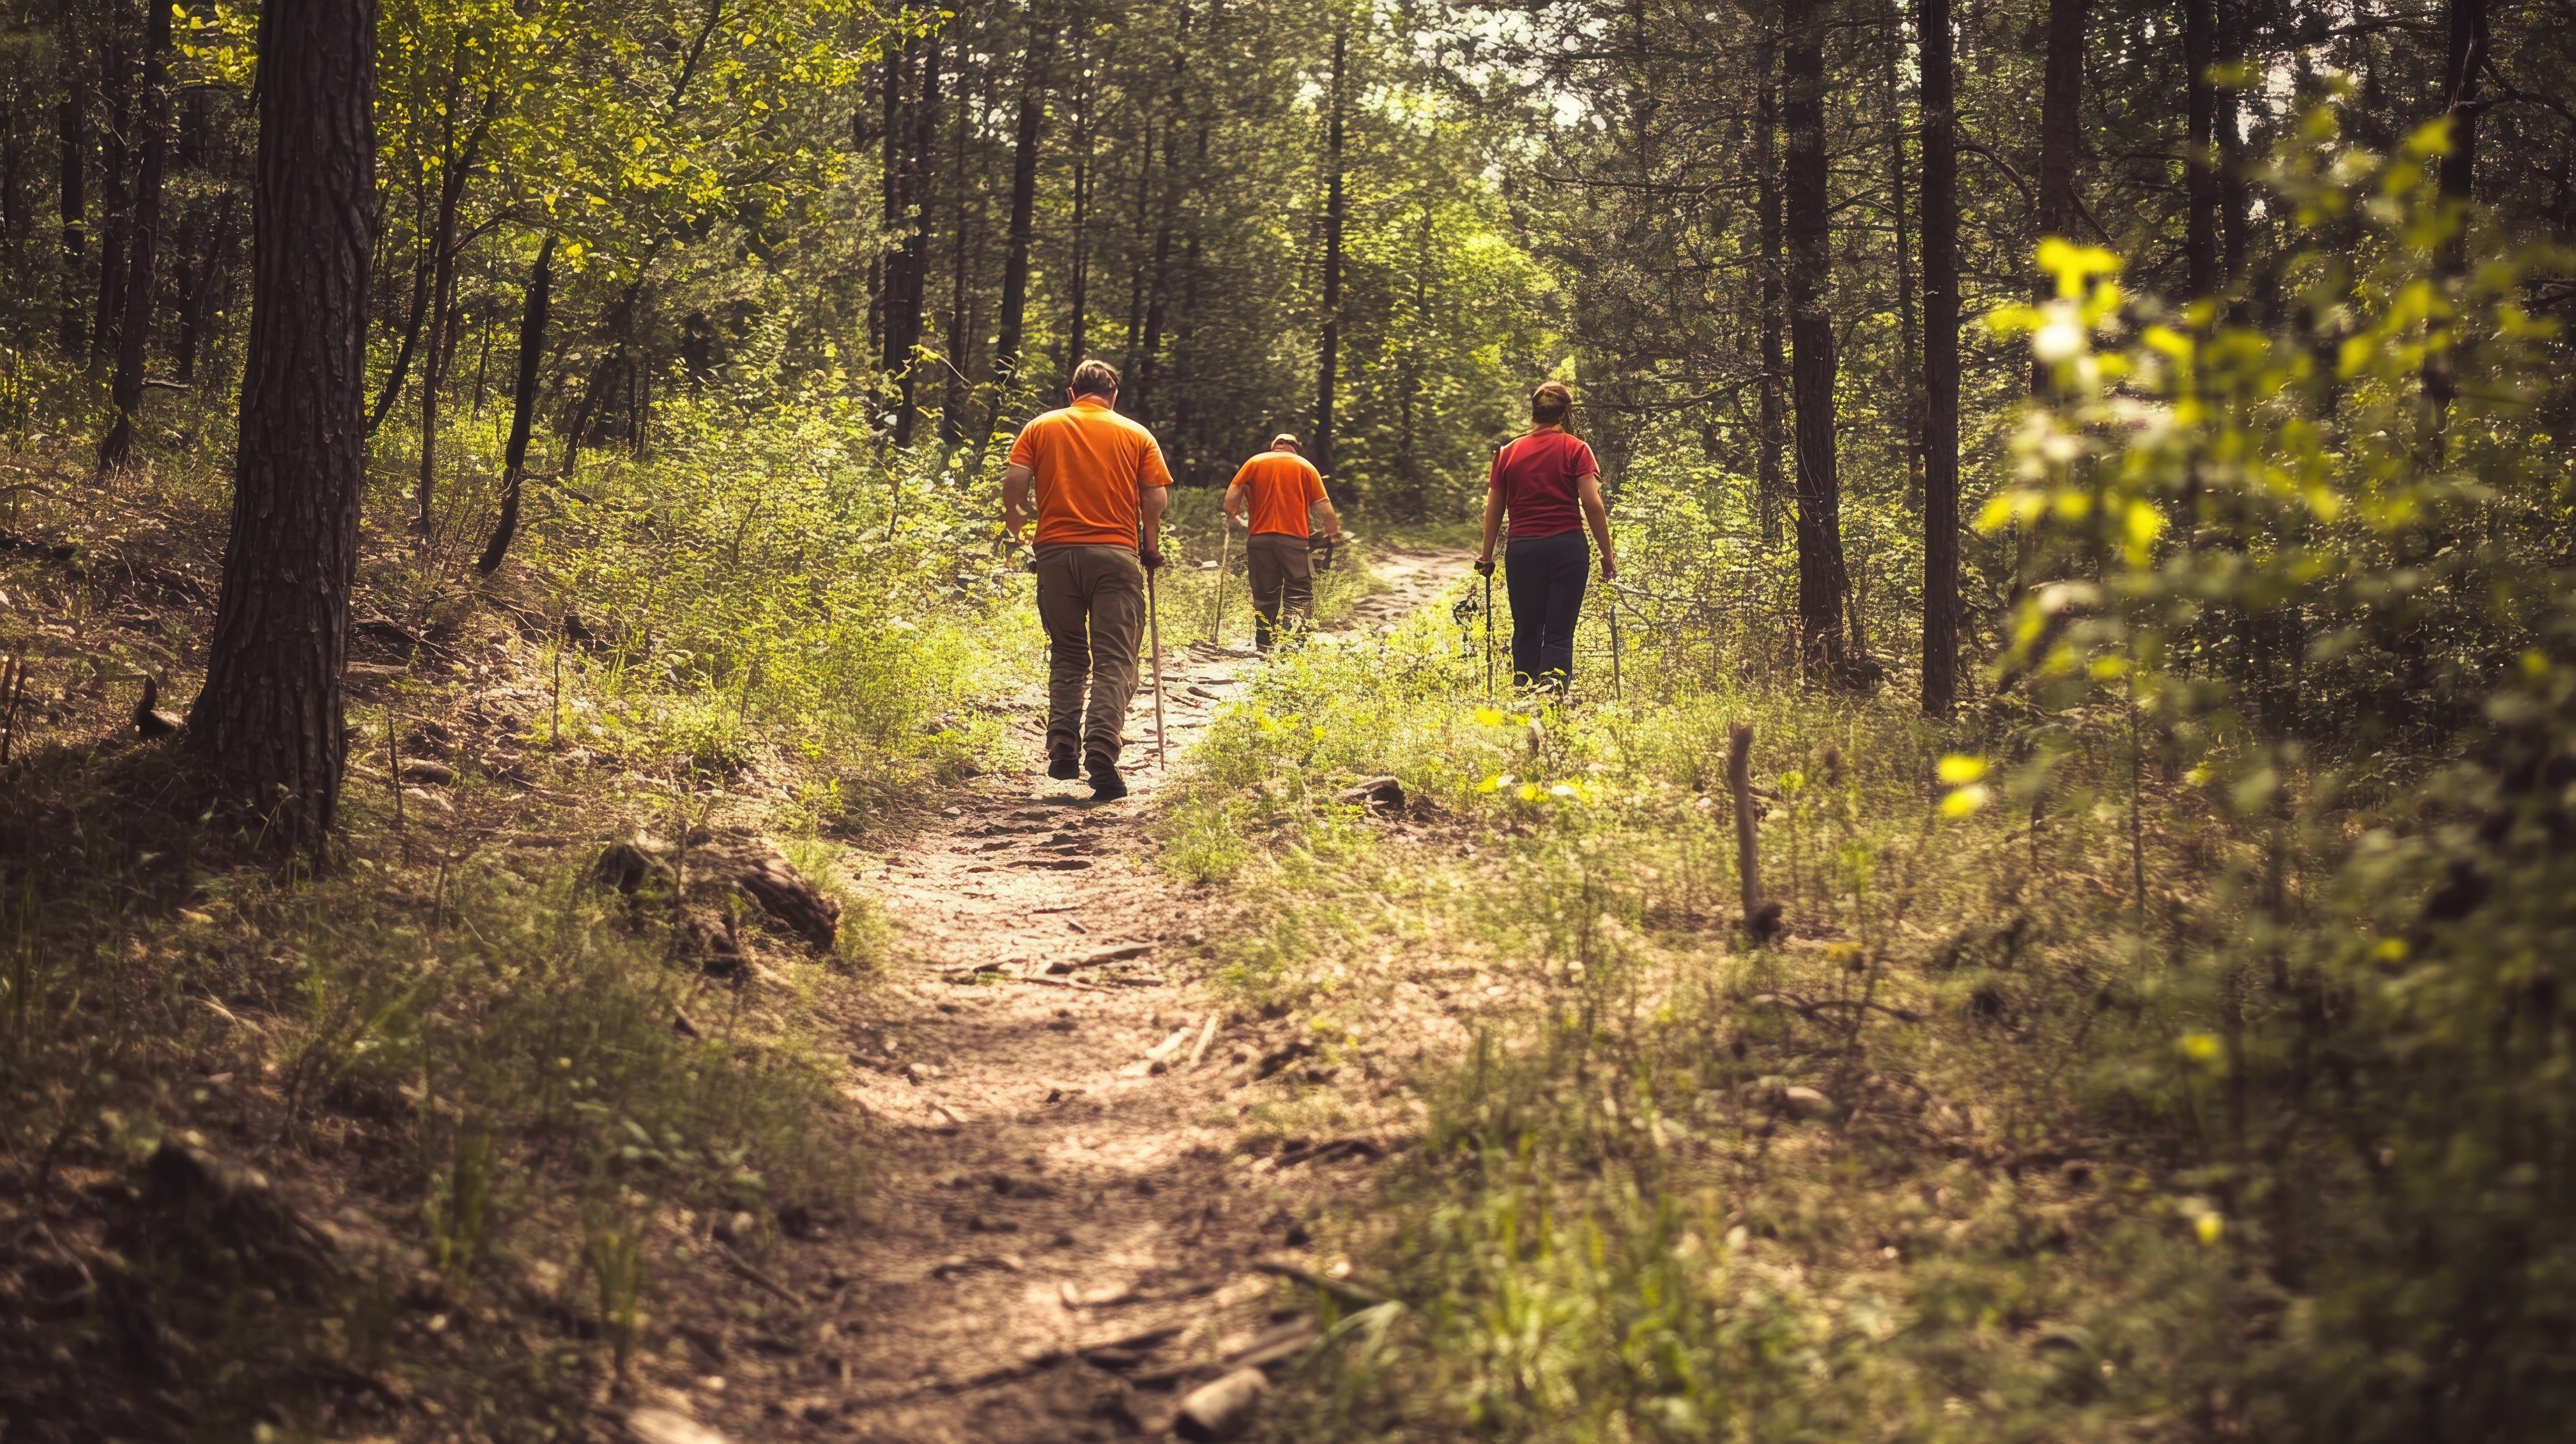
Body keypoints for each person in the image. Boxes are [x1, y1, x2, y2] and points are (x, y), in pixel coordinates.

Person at [1002, 359, 1171, 801]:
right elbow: (1155, 495)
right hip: (1115, 556)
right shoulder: (1136, 434)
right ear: (1113, 395)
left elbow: (1015, 480)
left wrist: (1016, 532)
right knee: (1115, 660)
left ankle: (1062, 746)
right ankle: (1100, 749)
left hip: (1055, 554)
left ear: (1071, 392)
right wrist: (1149, 546)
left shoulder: (1040, 427)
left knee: (1069, 654)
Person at [1474, 380, 1617, 692]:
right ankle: (1552, 690)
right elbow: (1592, 504)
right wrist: (1607, 554)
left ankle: (1524, 687)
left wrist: (1486, 556)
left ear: (1534, 413)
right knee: (1559, 629)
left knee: (1527, 626)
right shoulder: (1577, 449)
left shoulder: (1508, 453)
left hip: (1524, 550)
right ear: (1565, 413)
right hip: (1568, 548)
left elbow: (1494, 510)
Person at [1222, 433, 1342, 652]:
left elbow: (1232, 495)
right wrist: (1333, 533)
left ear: (1274, 446)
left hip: (1259, 539)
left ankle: (1265, 644)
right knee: (1298, 590)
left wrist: (1234, 515)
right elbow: (1323, 504)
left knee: (1265, 593)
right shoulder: (1305, 466)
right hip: (1293, 540)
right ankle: (1292, 644)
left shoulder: (1254, 462)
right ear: (1296, 448)